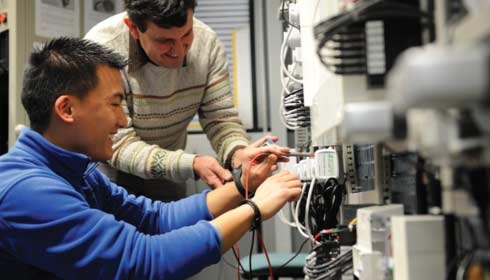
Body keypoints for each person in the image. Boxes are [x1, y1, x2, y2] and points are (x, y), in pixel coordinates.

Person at [0, 37, 301, 279]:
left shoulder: (76, 169)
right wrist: (255, 209)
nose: (122, 120)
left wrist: (241, 184)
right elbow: (144, 261)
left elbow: (154, 219)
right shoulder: (28, 191)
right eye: (115, 104)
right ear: (66, 109)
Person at [85, 0, 262, 201]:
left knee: (175, 229)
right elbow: (118, 144)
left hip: (167, 173)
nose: (179, 51)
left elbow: (220, 119)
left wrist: (238, 153)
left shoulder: (207, 44)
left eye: (186, 35)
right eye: (164, 41)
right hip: (108, 176)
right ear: (133, 28)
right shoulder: (101, 50)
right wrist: (192, 164)